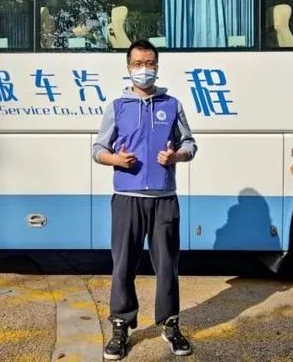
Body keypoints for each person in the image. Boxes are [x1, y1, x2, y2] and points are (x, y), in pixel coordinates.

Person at [92, 39, 197, 360]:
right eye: (138, 64)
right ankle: (121, 326)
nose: (144, 69)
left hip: (164, 199)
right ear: (128, 67)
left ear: (157, 66)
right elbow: (98, 150)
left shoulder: (172, 104)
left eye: (149, 63)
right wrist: (115, 160)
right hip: (127, 199)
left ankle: (170, 324)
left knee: (167, 266)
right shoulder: (118, 107)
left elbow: (190, 144)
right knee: (123, 265)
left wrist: (176, 156)